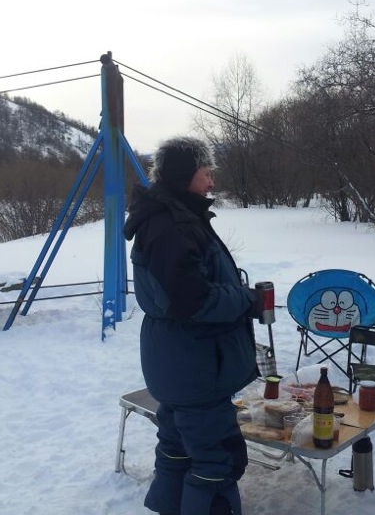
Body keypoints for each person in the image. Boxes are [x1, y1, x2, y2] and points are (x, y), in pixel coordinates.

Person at [123, 136, 259, 515]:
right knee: (218, 462)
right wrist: (245, 299)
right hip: (195, 368)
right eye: (206, 172)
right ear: (186, 175)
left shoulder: (173, 216)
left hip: (178, 364)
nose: (211, 181)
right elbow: (191, 300)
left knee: (177, 450)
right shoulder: (170, 225)